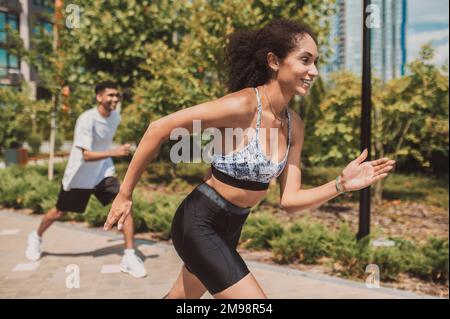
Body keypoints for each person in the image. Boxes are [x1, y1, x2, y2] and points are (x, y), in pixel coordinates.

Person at [103, 19, 395, 298]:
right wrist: (125, 194)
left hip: (232, 227)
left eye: (316, 62)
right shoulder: (242, 105)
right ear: (274, 61)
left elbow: (289, 200)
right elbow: (159, 129)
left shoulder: (295, 125)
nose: (314, 71)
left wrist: (341, 184)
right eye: (305, 60)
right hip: (198, 221)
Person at [25, 81, 147, 278]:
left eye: (117, 95)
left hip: (103, 172)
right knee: (59, 212)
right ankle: (36, 236)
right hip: (80, 174)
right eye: (110, 95)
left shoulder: (115, 116)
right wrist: (115, 151)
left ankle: (130, 255)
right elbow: (86, 155)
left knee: (124, 204)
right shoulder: (86, 119)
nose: (115, 99)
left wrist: (111, 155)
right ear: (99, 97)